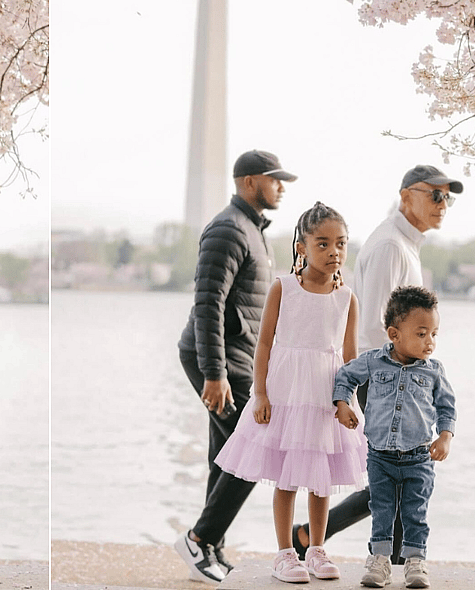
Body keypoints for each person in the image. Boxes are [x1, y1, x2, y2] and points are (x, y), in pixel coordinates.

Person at [292, 164, 464, 565]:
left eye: (447, 197)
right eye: (434, 194)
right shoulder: (389, 246)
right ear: (406, 196)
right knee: (399, 468)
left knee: (402, 468)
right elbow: (378, 325)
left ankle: (377, 551)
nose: (443, 204)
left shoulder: (403, 244)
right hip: (386, 378)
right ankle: (396, 557)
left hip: (402, 374)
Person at [215, 202, 365, 583]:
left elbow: (349, 356)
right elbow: (263, 344)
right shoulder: (283, 288)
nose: (334, 252)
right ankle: (284, 553)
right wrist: (260, 394)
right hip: (286, 393)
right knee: (287, 475)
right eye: (323, 243)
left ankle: (316, 548)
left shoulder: (347, 297)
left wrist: (349, 402)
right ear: (302, 247)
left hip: (325, 394)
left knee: (321, 475)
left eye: (341, 244)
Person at [174, 149, 297, 584]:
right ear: (249, 182)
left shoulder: (253, 229)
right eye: (274, 178)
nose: (282, 186)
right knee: (259, 447)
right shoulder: (228, 229)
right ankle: (197, 538)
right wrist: (215, 374)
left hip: (239, 359)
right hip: (219, 360)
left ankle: (209, 547)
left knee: (226, 455)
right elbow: (207, 303)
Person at [332, 286, 456, 588]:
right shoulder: (373, 362)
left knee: (415, 512)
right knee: (382, 511)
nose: (430, 342)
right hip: (379, 458)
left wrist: (445, 437)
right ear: (394, 333)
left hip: (419, 458)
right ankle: (379, 561)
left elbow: (446, 406)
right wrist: (342, 404)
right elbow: (345, 376)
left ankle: (415, 561)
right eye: (422, 333)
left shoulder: (434, 372)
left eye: (434, 334)